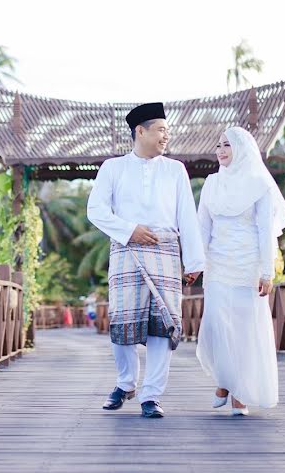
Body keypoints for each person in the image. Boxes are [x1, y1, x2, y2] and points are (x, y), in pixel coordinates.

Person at [87, 102, 205, 418]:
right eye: (161, 130)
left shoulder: (175, 169)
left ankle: (151, 395)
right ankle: (126, 383)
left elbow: (187, 216)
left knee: (162, 325)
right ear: (141, 131)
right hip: (126, 250)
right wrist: (129, 230)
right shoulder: (112, 168)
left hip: (166, 251)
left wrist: (193, 261)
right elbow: (95, 210)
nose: (166, 136)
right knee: (123, 319)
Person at [191, 126, 285, 416]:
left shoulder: (259, 183)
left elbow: (264, 232)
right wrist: (198, 264)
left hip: (248, 265)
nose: (220, 150)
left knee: (245, 331)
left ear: (242, 150)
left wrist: (267, 273)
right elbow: (202, 226)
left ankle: (239, 393)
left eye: (227, 145)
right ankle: (224, 377)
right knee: (215, 325)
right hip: (218, 264)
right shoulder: (211, 183)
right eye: (218, 145)